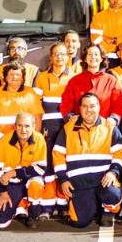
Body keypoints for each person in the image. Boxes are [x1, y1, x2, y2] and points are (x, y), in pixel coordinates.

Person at [53, 93, 122, 228]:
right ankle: (89, 204)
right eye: (85, 106)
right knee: (79, 223)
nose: (89, 110)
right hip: (79, 183)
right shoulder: (68, 128)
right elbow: (58, 155)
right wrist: (63, 179)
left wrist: (113, 172)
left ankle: (107, 211)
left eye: (92, 106)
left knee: (113, 194)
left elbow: (118, 154)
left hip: (103, 180)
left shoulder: (110, 127)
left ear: (99, 107)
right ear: (79, 108)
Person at [34, 43, 77, 212]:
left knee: (66, 162)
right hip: (48, 127)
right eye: (56, 54)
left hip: (68, 127)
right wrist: (37, 130)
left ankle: (64, 202)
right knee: (50, 164)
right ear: (51, 58)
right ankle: (48, 205)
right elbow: (36, 106)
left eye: (63, 54)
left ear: (68, 57)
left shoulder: (75, 77)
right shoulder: (41, 77)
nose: (59, 57)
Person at [0, 113, 50, 229]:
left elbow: (40, 168)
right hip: (13, 183)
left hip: (31, 179)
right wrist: (3, 192)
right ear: (15, 126)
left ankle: (33, 214)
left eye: (27, 126)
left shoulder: (39, 139)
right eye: (20, 125)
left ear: (33, 126)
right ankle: (19, 205)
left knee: (35, 185)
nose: (23, 130)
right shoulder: (2, 142)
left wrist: (14, 172)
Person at [61, 44, 122, 127]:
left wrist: (114, 119)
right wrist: (70, 117)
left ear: (101, 58)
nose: (93, 57)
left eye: (96, 54)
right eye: (90, 54)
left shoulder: (111, 81)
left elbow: (118, 105)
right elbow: (65, 105)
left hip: (104, 129)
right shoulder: (74, 81)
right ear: (85, 59)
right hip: (80, 129)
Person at [0, 61, 43, 138]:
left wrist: (35, 138)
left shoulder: (30, 93)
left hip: (24, 139)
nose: (15, 77)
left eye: (18, 74)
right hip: (0, 137)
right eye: (11, 74)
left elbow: (38, 117)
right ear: (5, 77)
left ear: (23, 78)